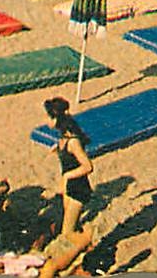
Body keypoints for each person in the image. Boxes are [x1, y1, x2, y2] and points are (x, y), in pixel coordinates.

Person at [43, 97, 94, 244]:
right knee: (71, 223)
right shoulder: (63, 137)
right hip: (69, 188)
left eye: (48, 117)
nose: (46, 121)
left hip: (78, 189)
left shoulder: (73, 142)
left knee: (67, 234)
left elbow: (88, 166)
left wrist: (66, 176)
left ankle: (85, 245)